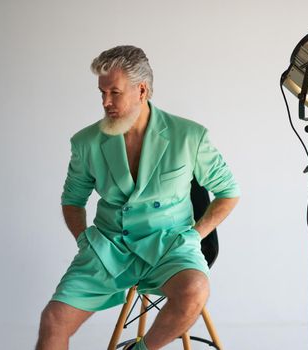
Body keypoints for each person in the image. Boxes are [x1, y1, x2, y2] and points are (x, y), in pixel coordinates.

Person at [35, 45, 240, 350]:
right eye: (102, 93)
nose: (105, 102)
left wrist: (194, 236)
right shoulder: (86, 142)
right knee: (53, 320)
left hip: (170, 246)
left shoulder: (189, 135)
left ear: (142, 90)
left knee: (196, 289)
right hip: (109, 247)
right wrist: (84, 240)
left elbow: (228, 192)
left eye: (114, 93)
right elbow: (72, 199)